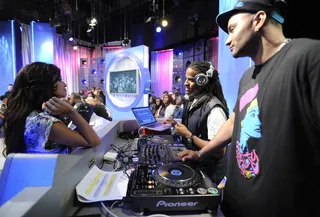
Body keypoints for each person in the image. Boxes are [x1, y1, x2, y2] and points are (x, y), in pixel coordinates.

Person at [178, 0, 320, 216]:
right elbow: (234, 121)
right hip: (233, 205)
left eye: (232, 29)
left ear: (259, 20)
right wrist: (201, 154)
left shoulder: (309, 56)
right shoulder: (248, 76)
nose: (227, 41)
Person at [2, 62, 100, 156]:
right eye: (59, 80)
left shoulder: (32, 117)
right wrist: (71, 111)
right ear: (45, 85)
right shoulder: (42, 122)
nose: (64, 84)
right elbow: (93, 141)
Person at [167, 61, 229, 184]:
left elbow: (219, 151)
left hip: (209, 174)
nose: (185, 83)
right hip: (195, 166)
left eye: (190, 80)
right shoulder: (192, 102)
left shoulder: (215, 109)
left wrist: (189, 135)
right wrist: (175, 126)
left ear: (202, 81)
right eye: (186, 79)